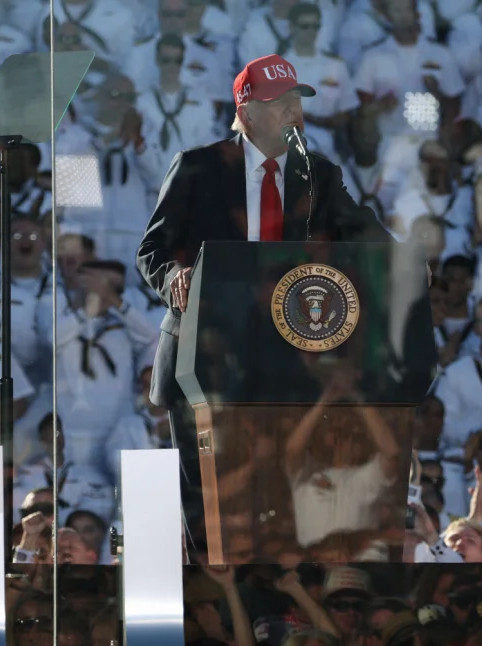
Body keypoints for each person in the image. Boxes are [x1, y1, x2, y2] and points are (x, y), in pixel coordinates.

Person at [136, 53, 391, 560]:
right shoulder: (200, 167)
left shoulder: (317, 173)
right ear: (247, 109)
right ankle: (213, 604)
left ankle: (278, 604)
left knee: (280, 500)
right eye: (282, 103)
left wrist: (405, 261)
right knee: (207, 501)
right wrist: (175, 277)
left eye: (298, 101)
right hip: (203, 360)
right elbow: (152, 251)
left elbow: (363, 229)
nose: (294, 112)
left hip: (286, 362)